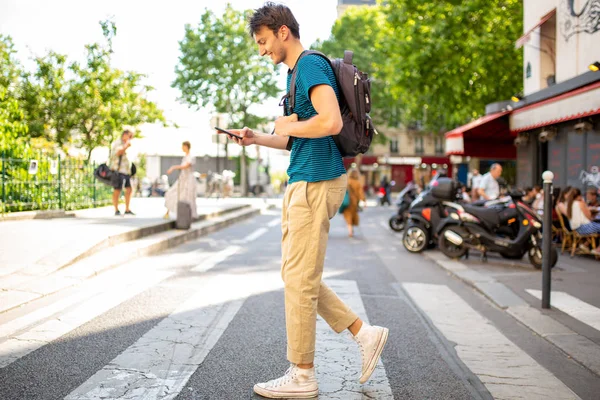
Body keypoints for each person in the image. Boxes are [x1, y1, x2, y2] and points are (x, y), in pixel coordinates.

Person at [221, 4, 388, 398]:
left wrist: (289, 123)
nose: (261, 50)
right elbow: (297, 137)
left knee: (298, 281)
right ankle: (364, 334)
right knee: (298, 279)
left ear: (282, 32)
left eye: (262, 41)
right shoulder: (296, 73)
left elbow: (329, 122)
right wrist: (257, 137)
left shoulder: (310, 65)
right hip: (304, 179)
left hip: (315, 182)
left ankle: (303, 375)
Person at [163, 141, 198, 220]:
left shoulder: (191, 157)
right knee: (173, 193)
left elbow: (186, 166)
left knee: (186, 196)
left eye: (183, 146)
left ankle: (188, 214)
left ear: (186, 146)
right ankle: (168, 212)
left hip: (188, 179)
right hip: (182, 178)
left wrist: (174, 167)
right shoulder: (185, 157)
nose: (182, 148)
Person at [566, 188, 600, 254]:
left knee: (597, 228)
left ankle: (585, 245)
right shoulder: (580, 203)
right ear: (579, 196)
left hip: (576, 229)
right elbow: (589, 216)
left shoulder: (570, 204)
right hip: (584, 227)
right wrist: (585, 204)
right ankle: (598, 250)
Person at [110, 130, 135, 216]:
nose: (130, 138)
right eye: (129, 136)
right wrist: (126, 146)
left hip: (126, 171)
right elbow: (118, 152)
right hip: (119, 170)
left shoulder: (127, 144)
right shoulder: (118, 143)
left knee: (129, 189)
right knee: (117, 189)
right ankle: (116, 209)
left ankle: (127, 209)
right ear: (124, 135)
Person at [343, 168, 366, 237]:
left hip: (346, 202)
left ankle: (350, 230)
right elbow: (361, 193)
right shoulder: (357, 183)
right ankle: (351, 229)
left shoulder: (346, 181)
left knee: (348, 216)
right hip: (354, 202)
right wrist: (364, 201)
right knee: (353, 215)